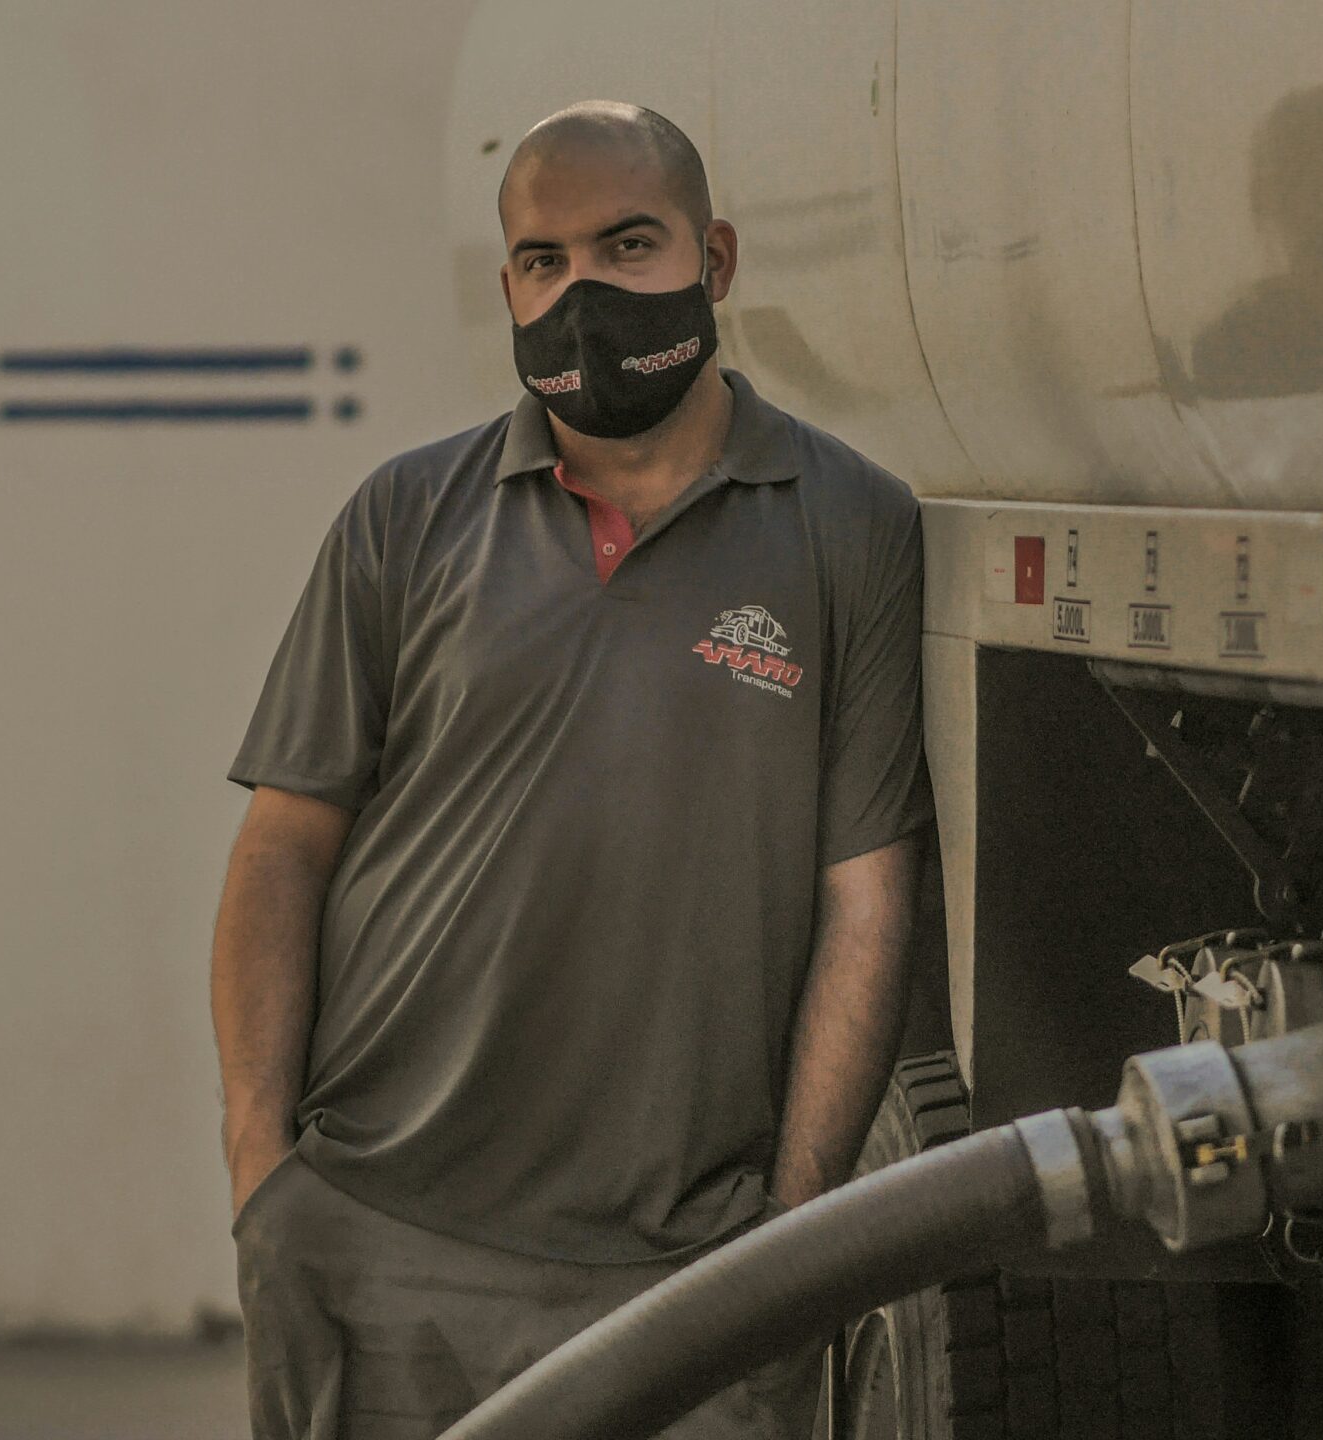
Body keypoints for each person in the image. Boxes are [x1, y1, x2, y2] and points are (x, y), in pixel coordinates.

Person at [210, 99, 933, 1439]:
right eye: (543, 262)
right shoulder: (404, 519)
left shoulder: (850, 526)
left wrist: (789, 1235)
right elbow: (281, 851)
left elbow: (867, 903)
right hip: (380, 1238)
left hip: (686, 1278)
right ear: (506, 285)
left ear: (714, 261)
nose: (580, 293)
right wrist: (266, 1174)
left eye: (627, 246)